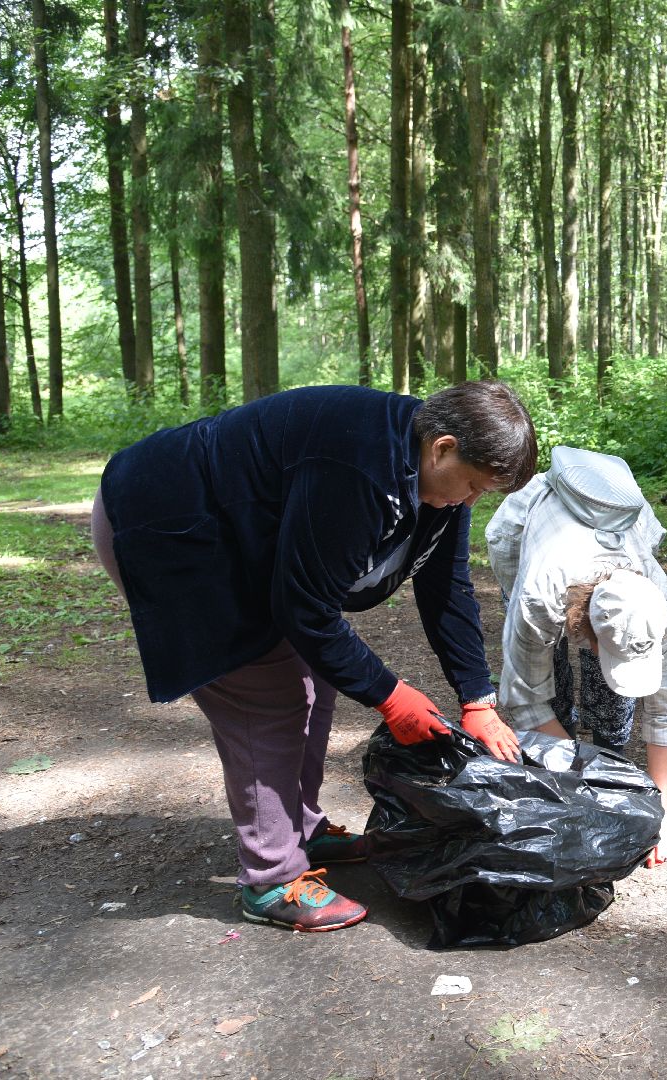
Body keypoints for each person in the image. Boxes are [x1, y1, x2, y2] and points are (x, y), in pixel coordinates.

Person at [91, 381, 537, 932]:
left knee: (315, 678)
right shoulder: (358, 465)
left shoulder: (431, 472)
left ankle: (299, 827)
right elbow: (305, 608)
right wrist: (391, 697)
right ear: (443, 446)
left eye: (482, 494)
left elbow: (446, 585)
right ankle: (271, 876)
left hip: (243, 533)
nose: (469, 502)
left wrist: (477, 697)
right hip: (169, 523)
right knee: (265, 695)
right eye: (471, 486)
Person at [485, 446, 667, 867]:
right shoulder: (538, 599)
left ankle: (612, 758)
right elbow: (525, 698)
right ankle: (560, 771)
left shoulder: (657, 606)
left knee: (613, 699)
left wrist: (661, 813)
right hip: (524, 534)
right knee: (547, 681)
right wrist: (586, 784)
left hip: (619, 527)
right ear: (585, 631)